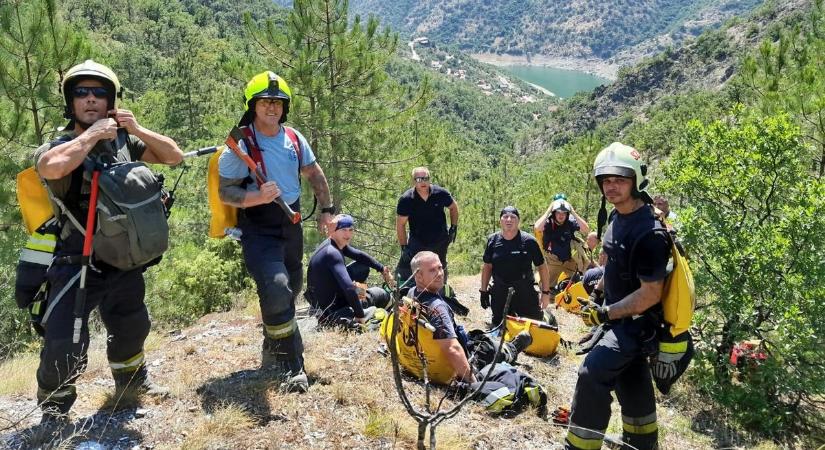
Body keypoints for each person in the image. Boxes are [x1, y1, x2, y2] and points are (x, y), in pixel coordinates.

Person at [32, 60, 183, 423]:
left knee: (132, 323)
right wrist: (90, 137)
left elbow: (173, 156)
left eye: (99, 93)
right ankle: (54, 410)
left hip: (121, 252)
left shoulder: (124, 141)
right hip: (76, 257)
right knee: (64, 342)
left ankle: (130, 383)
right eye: (81, 92)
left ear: (112, 99)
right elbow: (50, 168)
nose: (90, 99)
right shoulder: (62, 142)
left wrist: (136, 128)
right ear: (70, 101)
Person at [218, 71, 333, 393]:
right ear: (253, 105)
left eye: (278, 103)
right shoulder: (239, 147)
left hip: (289, 224)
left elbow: (313, 172)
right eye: (266, 102)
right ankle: (290, 365)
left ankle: (274, 338)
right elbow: (225, 193)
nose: (272, 108)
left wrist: (327, 209)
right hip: (258, 228)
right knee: (277, 286)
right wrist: (257, 197)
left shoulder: (293, 138)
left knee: (293, 283)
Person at [564, 142, 670, 450]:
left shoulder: (649, 232)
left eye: (620, 179)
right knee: (632, 377)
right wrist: (597, 295)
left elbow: (650, 294)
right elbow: (610, 262)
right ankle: (642, 443)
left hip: (638, 324)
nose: (612, 186)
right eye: (606, 180)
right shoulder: (617, 217)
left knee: (591, 372)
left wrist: (606, 314)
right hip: (620, 318)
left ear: (636, 181)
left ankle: (579, 446)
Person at [407, 251, 544, 413]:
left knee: (478, 338)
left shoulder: (412, 294)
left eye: (440, 268)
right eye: (432, 270)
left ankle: (505, 343)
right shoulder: (437, 307)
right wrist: (473, 381)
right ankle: (511, 348)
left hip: (427, 358)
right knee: (489, 348)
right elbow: (452, 349)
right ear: (418, 276)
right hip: (453, 364)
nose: (440, 273)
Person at [306, 214, 394, 328]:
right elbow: (348, 288)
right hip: (333, 309)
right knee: (379, 303)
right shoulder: (332, 253)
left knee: (363, 268)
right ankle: (361, 305)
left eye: (350, 230)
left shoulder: (334, 243)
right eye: (343, 230)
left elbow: (360, 256)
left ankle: (362, 298)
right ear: (334, 231)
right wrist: (359, 315)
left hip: (329, 298)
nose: (348, 234)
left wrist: (382, 269)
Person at [479, 206, 551, 326]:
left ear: (518, 221)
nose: (509, 220)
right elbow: (487, 267)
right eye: (505, 217)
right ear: (500, 221)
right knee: (499, 325)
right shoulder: (493, 240)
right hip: (500, 289)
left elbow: (542, 267)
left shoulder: (529, 241)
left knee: (534, 325)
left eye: (513, 217)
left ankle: (546, 316)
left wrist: (545, 293)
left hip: (524, 289)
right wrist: (483, 291)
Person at [395, 167, 459, 286]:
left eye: (425, 178)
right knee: (410, 268)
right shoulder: (406, 199)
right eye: (418, 179)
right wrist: (404, 247)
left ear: (429, 179)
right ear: (413, 181)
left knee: (439, 267)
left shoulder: (440, 193)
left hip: (440, 239)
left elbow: (453, 207)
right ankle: (409, 293)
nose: (422, 182)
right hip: (417, 240)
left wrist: (454, 227)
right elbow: (400, 224)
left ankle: (441, 292)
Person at [533, 198, 591, 284]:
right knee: (548, 290)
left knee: (570, 292)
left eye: (564, 213)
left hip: (569, 263)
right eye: (558, 212)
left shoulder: (570, 221)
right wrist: (549, 209)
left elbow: (586, 230)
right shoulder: (548, 222)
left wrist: (573, 212)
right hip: (552, 262)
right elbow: (537, 228)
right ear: (554, 213)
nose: (561, 215)